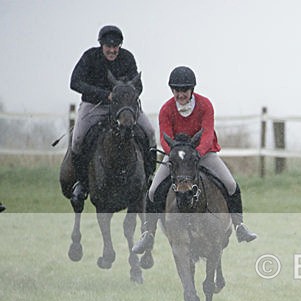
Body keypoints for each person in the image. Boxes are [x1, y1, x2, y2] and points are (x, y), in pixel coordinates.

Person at [131, 66, 257, 254]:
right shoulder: (166, 109)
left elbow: (206, 135)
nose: (181, 94)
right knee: (152, 191)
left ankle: (239, 226)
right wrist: (176, 155)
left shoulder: (205, 105)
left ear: (192, 90)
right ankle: (148, 234)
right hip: (177, 157)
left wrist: (197, 153)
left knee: (231, 184)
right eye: (177, 90)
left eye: (184, 90)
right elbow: (165, 139)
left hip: (203, 154)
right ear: (172, 90)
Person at [67, 25, 156, 211]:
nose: (112, 50)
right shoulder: (90, 57)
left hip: (124, 107)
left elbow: (138, 85)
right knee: (77, 139)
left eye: (116, 46)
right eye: (108, 46)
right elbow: (74, 82)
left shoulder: (128, 58)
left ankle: (149, 178)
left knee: (149, 131)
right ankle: (82, 184)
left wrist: (125, 94)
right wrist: (104, 95)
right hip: (95, 106)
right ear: (101, 45)